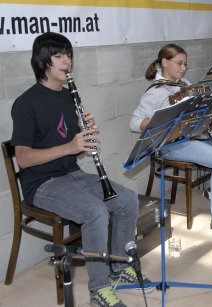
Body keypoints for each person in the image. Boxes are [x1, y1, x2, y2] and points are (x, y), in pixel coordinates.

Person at [11, 32, 151, 307]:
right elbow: (24, 158)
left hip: (71, 174)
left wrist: (86, 133)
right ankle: (99, 290)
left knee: (126, 199)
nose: (67, 62)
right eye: (59, 56)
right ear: (43, 61)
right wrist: (70, 147)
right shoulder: (25, 103)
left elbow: (74, 142)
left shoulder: (66, 97)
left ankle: (120, 270)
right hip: (41, 184)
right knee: (95, 212)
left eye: (69, 55)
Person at [130, 43, 212, 239]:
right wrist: (161, 121)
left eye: (185, 64)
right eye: (180, 63)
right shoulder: (155, 92)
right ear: (165, 62)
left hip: (193, 138)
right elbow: (134, 122)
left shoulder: (183, 83)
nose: (183, 68)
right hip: (170, 144)